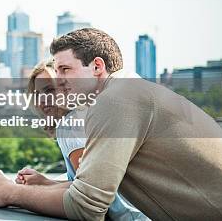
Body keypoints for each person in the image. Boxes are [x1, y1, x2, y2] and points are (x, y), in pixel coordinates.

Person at [0, 28, 222, 220]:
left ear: (97, 66)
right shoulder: (132, 90)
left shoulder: (116, 100)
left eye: (65, 69)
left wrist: (8, 193)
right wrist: (46, 185)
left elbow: (87, 206)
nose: (59, 81)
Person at [15, 60, 148, 221]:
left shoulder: (70, 125)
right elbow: (90, 182)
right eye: (37, 94)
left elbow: (88, 192)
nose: (42, 100)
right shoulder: (87, 115)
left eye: (49, 90)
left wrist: (10, 192)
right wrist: (45, 182)